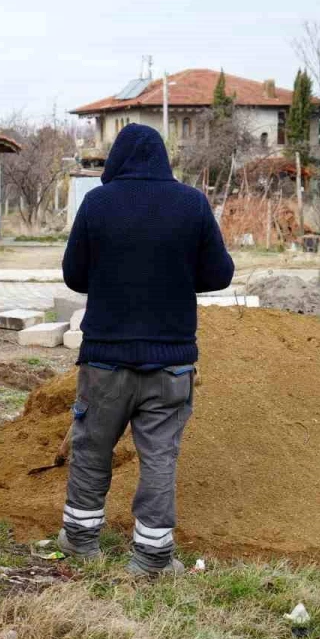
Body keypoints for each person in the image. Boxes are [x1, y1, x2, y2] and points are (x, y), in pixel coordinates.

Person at [58, 123, 234, 576]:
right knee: (159, 458)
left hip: (104, 361)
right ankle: (152, 558)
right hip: (170, 364)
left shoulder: (98, 203)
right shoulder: (191, 203)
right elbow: (219, 275)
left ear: (116, 160)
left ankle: (80, 541)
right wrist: (175, 275)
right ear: (163, 160)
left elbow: (75, 275)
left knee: (93, 448)